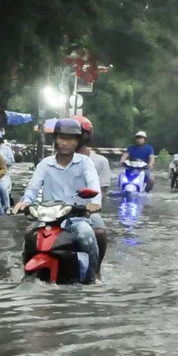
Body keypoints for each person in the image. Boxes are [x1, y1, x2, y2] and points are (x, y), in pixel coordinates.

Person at [13, 118, 103, 284]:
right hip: (49, 218)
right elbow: (33, 188)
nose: (64, 143)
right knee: (29, 234)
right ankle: (26, 273)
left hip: (76, 217)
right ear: (55, 139)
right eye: (61, 138)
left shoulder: (85, 163)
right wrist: (25, 201)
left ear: (77, 141)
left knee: (87, 236)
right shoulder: (45, 164)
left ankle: (92, 278)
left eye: (69, 139)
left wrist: (94, 202)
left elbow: (94, 186)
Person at [73, 115, 110, 268]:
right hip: (57, 208)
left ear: (85, 136)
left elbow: (102, 192)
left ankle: (96, 270)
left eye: (75, 134)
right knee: (32, 233)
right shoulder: (54, 160)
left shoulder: (100, 162)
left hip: (86, 210)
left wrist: (92, 206)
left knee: (100, 233)